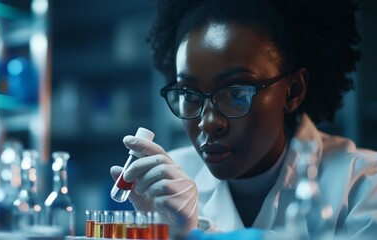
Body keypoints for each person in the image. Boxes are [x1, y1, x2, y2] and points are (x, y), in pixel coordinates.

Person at [110, 0, 377, 239]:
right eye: (189, 94)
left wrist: (192, 235)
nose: (208, 122)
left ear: (293, 90)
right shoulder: (168, 182)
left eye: (235, 93)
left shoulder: (362, 184)